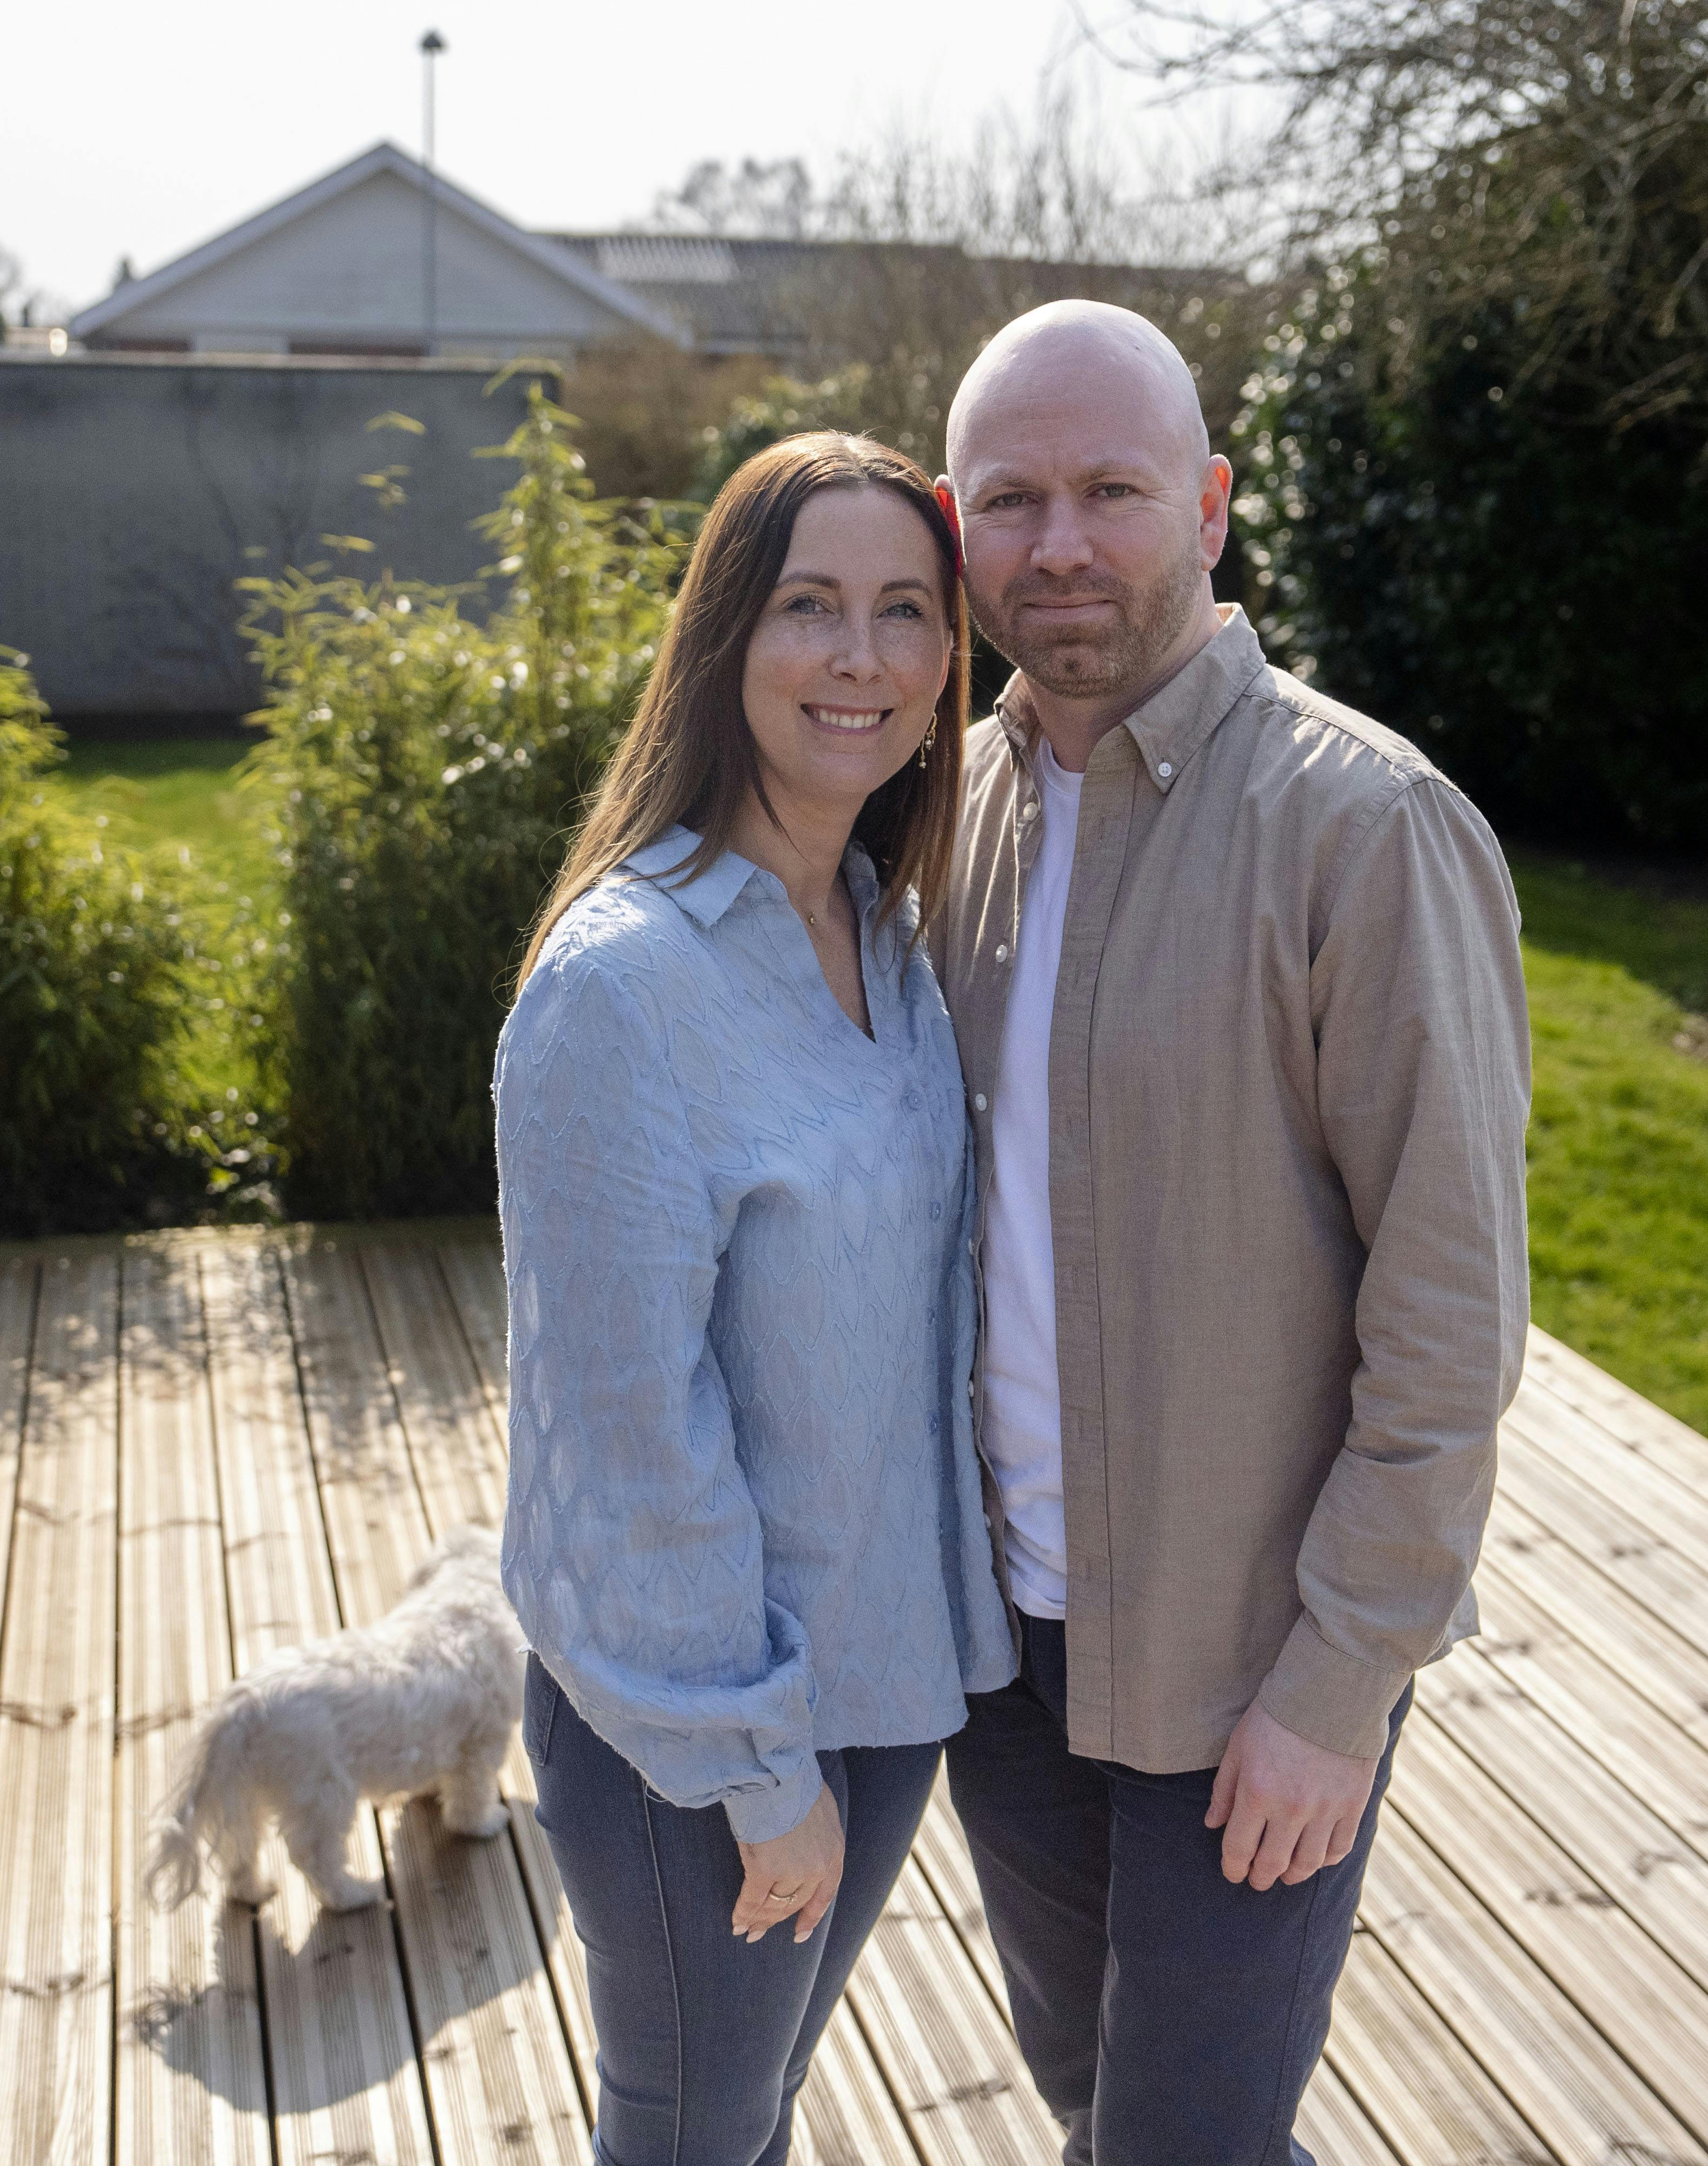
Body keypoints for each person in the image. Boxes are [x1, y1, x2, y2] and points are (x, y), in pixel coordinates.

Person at [927, 300, 1533, 2164]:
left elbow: (1450, 1321)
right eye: (1011, 498)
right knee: (1097, 2097)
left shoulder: (1371, 829)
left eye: (1112, 490)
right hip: (999, 1656)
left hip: (1243, 1672)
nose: (1060, 544)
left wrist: (1339, 1691)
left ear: (1209, 504)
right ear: (956, 526)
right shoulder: (940, 815)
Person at [495, 431, 1016, 2166]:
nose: (862, 657)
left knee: (751, 2119)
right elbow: (627, 1434)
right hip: (701, 1729)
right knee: (691, 2141)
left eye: (906, 610)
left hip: (879, 1681)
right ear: (725, 637)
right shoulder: (625, 988)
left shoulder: (883, 929)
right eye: (810, 606)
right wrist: (753, 1768)